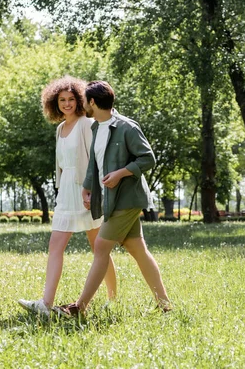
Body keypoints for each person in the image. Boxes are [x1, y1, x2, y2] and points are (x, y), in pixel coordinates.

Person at [54, 80, 171, 318]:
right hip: (111, 198)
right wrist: (87, 187)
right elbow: (95, 164)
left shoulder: (126, 127)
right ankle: (165, 305)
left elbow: (148, 159)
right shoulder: (97, 127)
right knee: (138, 250)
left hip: (127, 199)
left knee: (100, 247)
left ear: (93, 102)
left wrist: (121, 173)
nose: (81, 104)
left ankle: (79, 307)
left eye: (84, 100)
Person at [18, 76, 117, 317]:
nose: (67, 104)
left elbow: (95, 158)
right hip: (66, 195)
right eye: (62, 100)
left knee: (98, 247)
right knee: (55, 246)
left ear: (80, 100)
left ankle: (113, 299)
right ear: (54, 102)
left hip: (86, 191)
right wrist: (60, 189)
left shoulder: (86, 123)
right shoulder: (60, 128)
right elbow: (60, 166)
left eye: (71, 99)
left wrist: (93, 190)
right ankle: (46, 303)